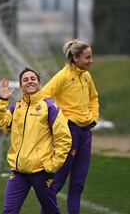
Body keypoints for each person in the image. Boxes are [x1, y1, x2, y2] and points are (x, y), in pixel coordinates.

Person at [0, 67, 72, 214]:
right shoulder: (16, 108)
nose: (30, 81)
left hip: (41, 170)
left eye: (33, 79)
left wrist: (53, 165)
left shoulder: (50, 108)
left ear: (39, 83)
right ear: (21, 86)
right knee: (9, 210)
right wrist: (3, 99)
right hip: (18, 170)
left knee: (50, 210)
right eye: (25, 80)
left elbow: (64, 139)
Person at [41, 39, 99, 214]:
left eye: (91, 56)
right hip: (68, 134)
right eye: (87, 57)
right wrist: (57, 121)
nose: (91, 60)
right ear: (75, 57)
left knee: (78, 184)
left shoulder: (87, 76)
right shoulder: (63, 76)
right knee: (57, 182)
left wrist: (94, 117)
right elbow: (43, 97)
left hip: (85, 134)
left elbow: (93, 98)